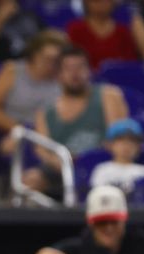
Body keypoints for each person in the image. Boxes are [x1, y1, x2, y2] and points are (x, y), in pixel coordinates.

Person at [26, 46, 128, 198]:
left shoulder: (108, 95)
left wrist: (87, 160)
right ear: (58, 75)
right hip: (63, 170)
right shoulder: (46, 112)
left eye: (80, 67)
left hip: (102, 164)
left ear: (90, 71)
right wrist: (63, 164)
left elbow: (118, 137)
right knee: (30, 180)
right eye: (68, 68)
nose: (75, 73)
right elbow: (42, 150)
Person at [0, 30, 66, 155]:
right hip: (12, 131)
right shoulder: (12, 71)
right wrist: (22, 130)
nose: (51, 64)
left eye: (56, 60)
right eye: (47, 58)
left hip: (50, 136)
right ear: (34, 54)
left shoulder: (62, 78)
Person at [66, 0, 138, 71]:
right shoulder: (76, 29)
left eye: (107, 1)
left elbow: (130, 62)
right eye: (97, 1)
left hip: (117, 78)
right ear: (86, 3)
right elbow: (72, 58)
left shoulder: (123, 31)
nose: (102, 4)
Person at [89, 119, 144, 191]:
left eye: (132, 141)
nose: (127, 145)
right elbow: (97, 196)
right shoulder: (102, 170)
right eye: (121, 141)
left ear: (139, 147)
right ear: (109, 145)